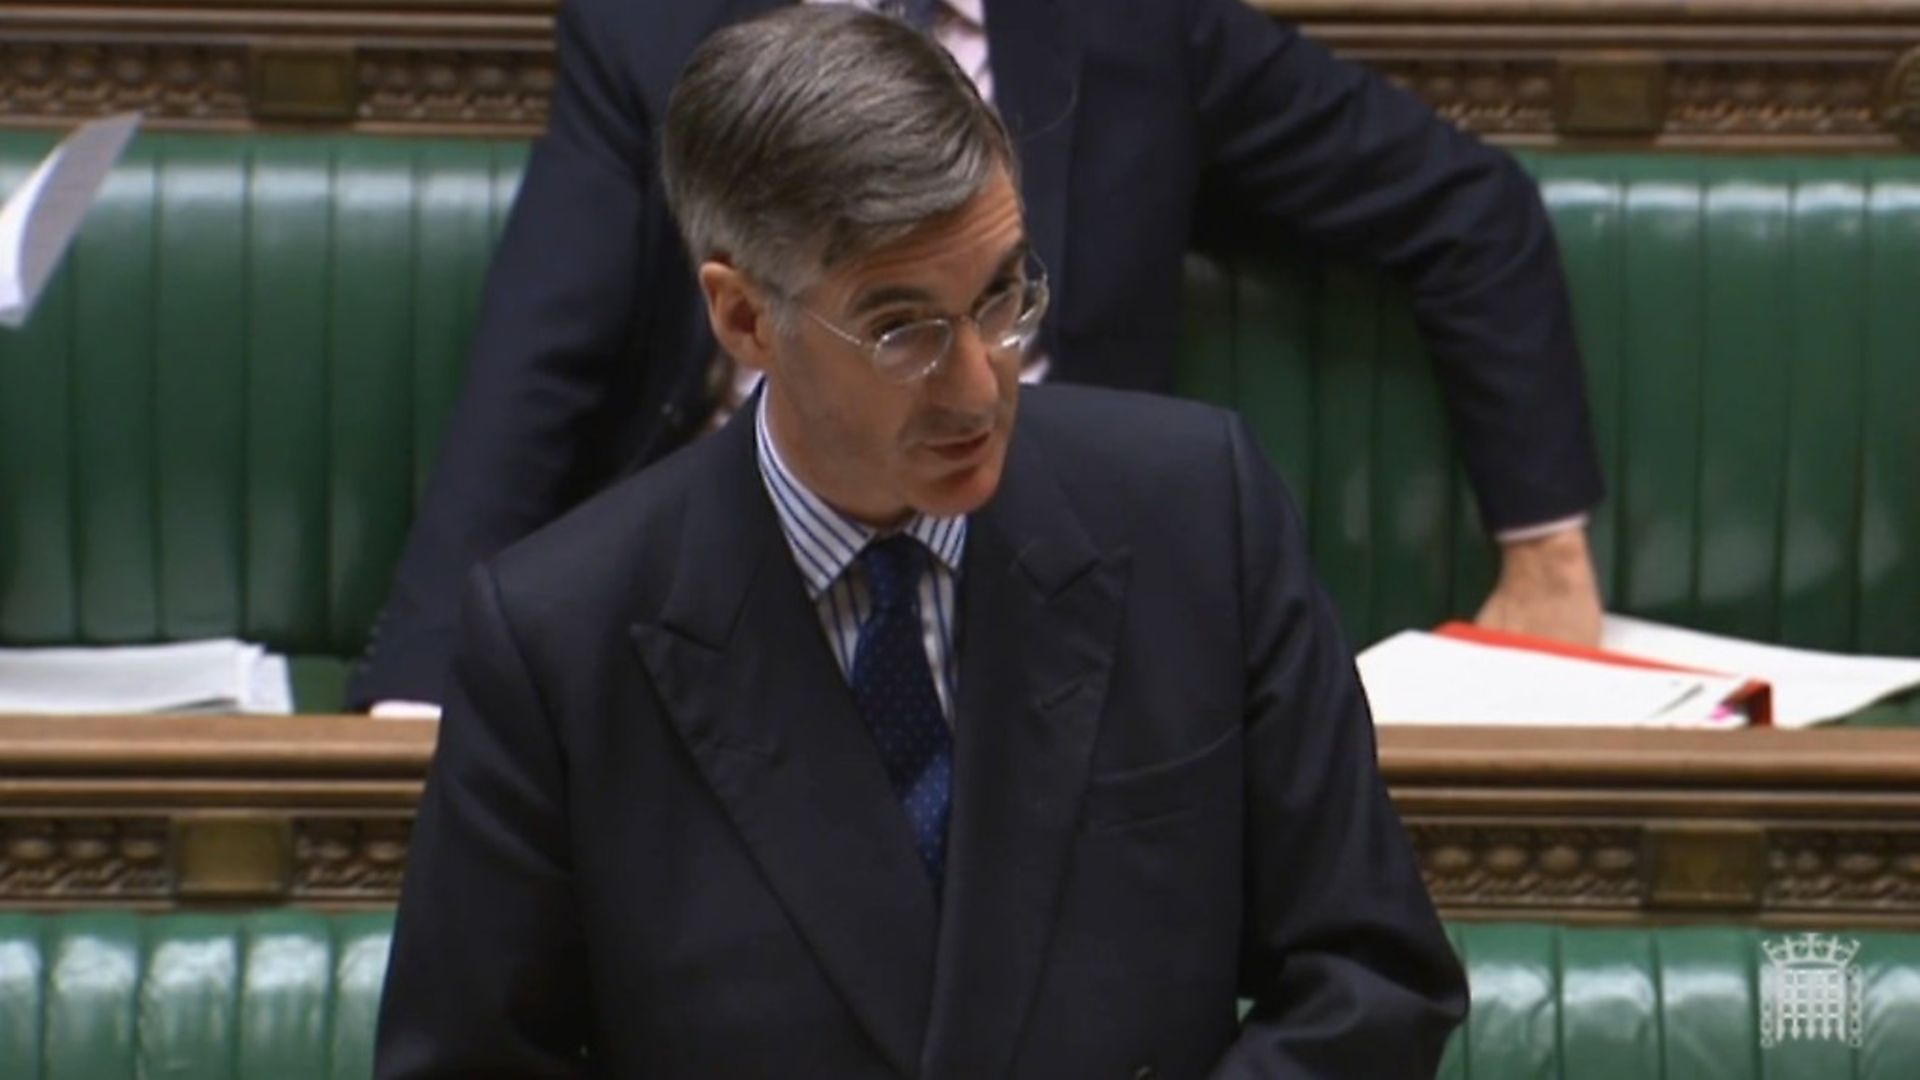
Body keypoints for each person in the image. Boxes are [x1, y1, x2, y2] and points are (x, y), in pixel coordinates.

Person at [374, 9, 1466, 1076]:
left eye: (1002, 297)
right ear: (746, 319)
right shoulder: (560, 636)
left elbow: (1369, 977)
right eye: (904, 330)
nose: (979, 385)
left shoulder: (1199, 515)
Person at [347, 0, 1608, 713]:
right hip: (734, 564)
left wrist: (1546, 560)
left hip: (1050, 576)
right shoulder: (651, 24)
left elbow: (1466, 210)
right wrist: (420, 689)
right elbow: (540, 364)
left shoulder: (1137, 28)